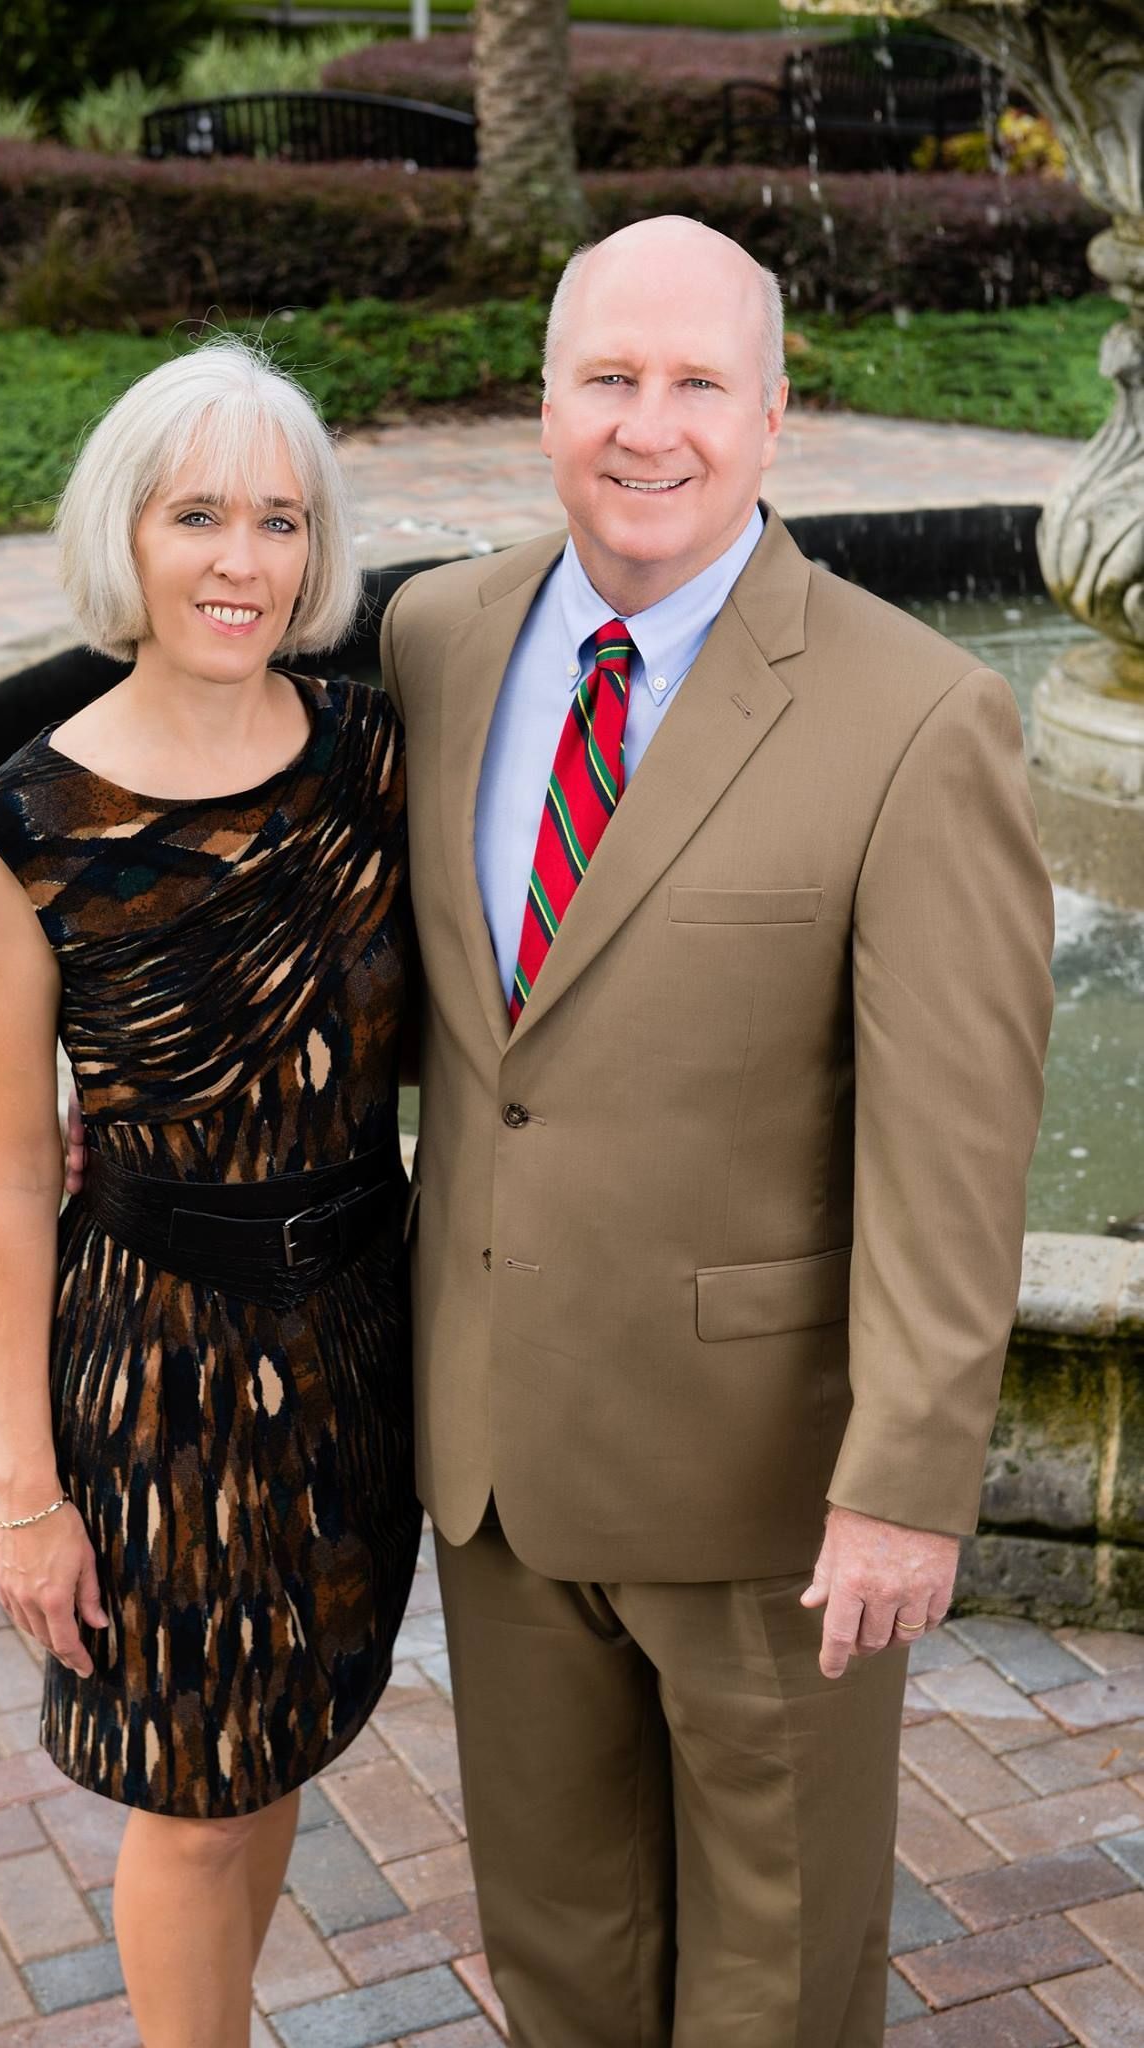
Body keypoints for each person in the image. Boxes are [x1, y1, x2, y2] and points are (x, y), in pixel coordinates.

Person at [378, 217, 1055, 2046]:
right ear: (542, 406)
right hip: (500, 1461)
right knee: (559, 1955)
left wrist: (907, 1477)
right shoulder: (438, 637)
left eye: (695, 384)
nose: (645, 426)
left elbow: (957, 1140)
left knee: (772, 1974)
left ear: (775, 418)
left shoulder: (921, 716)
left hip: (768, 1491)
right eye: (607, 378)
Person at [0, 336, 420, 2048]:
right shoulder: (24, 830)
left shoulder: (374, 758)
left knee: (278, 1737)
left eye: (280, 520)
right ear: (126, 538)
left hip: (360, 1338)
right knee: (196, 1791)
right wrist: (24, 1491)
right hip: (163, 1368)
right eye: (199, 515)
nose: (243, 559)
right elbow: (10, 1175)